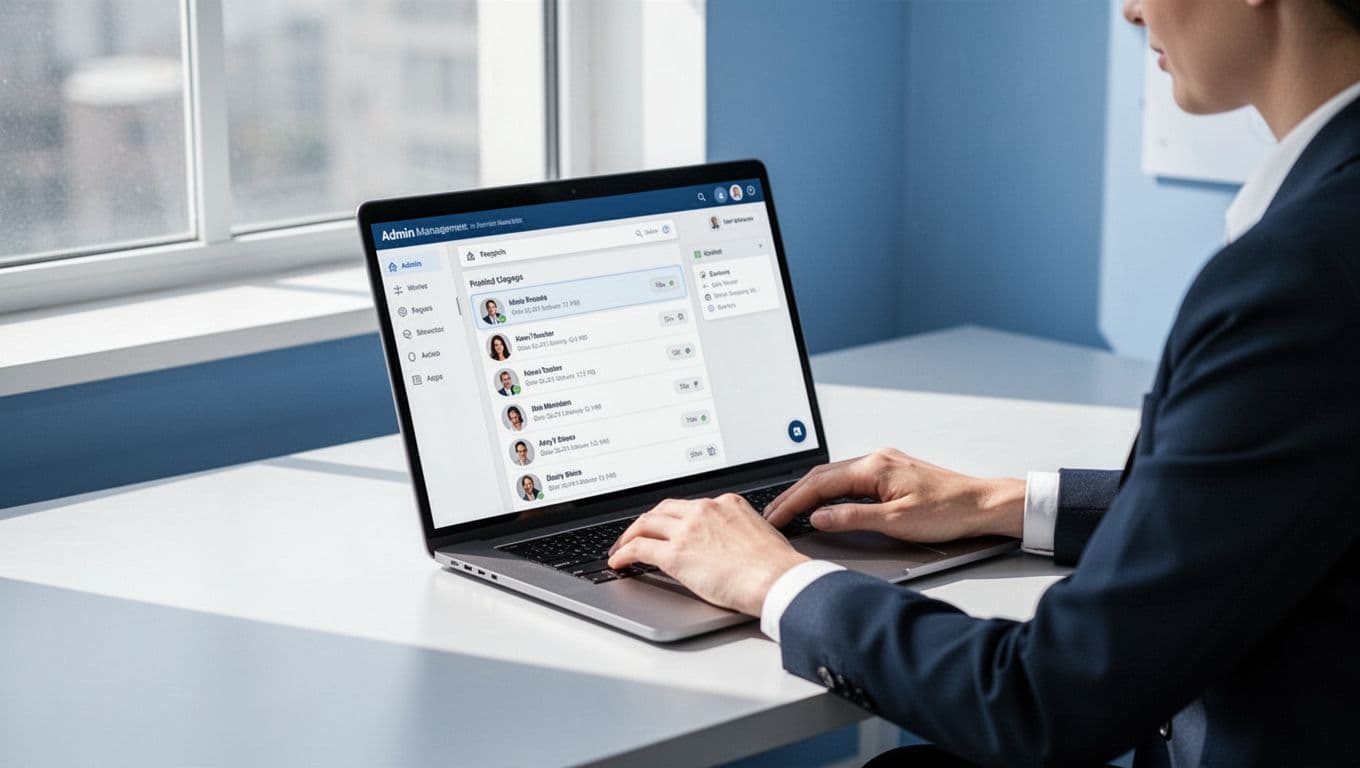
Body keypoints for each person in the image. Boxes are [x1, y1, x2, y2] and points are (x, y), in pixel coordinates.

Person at [608, 1, 1360, 764]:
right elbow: (1264, 501)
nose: (1130, 10)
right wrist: (1002, 504)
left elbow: (1047, 700)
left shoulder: (1300, 278)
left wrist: (777, 582)